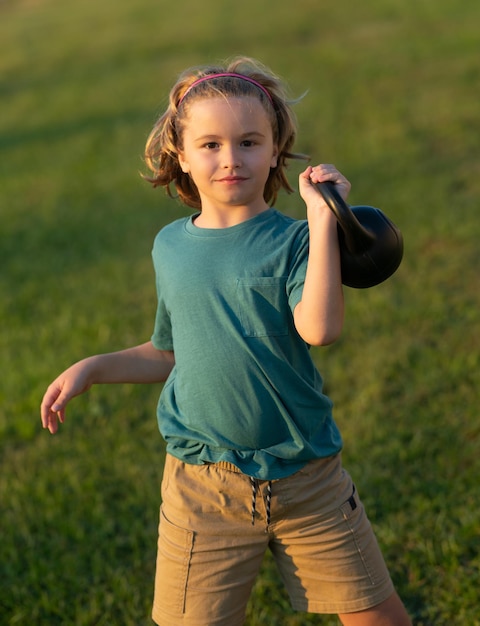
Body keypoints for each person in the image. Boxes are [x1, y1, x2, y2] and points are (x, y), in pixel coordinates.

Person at [41, 56, 412, 626]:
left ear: (275, 150)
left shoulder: (294, 242)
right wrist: (93, 366)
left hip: (305, 478)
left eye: (249, 142)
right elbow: (169, 351)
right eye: (210, 144)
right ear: (181, 156)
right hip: (202, 487)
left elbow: (320, 329)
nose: (231, 159)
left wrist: (320, 222)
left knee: (378, 618)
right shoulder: (170, 247)